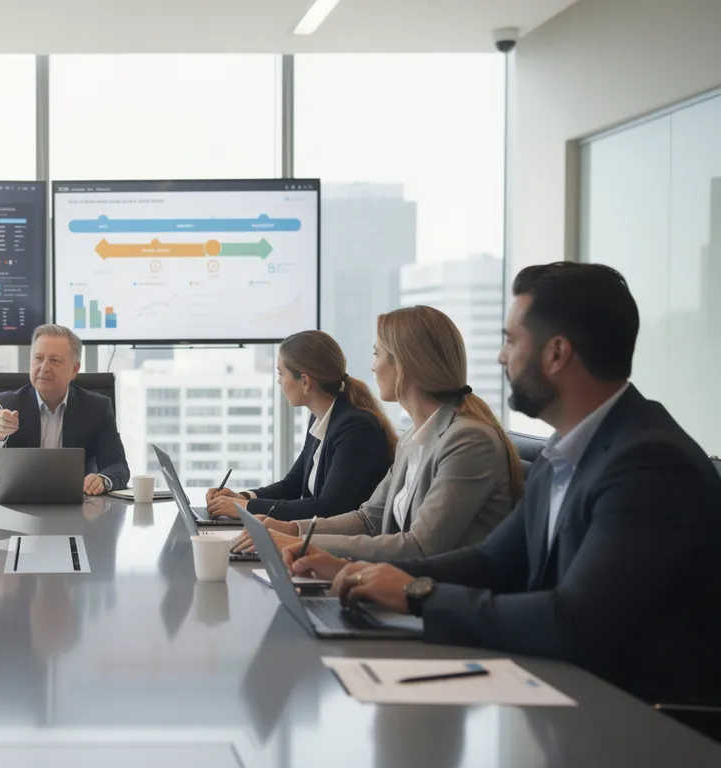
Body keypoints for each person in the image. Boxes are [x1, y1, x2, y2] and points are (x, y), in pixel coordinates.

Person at [286, 263, 721, 703]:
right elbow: (493, 562)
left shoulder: (648, 464)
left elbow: (574, 620)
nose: (500, 356)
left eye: (511, 341)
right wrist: (358, 573)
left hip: (634, 719)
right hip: (567, 691)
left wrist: (416, 594)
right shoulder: (565, 453)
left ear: (556, 353)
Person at [234, 306, 522, 561]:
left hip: (442, 605)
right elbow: (369, 519)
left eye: (377, 354)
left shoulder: (468, 440)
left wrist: (302, 542)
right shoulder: (413, 438)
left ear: (405, 364)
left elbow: (420, 547)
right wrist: (293, 528)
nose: (372, 366)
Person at [205, 330, 395, 521]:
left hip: (344, 545)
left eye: (281, 373)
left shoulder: (357, 428)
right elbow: (292, 485)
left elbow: (328, 507)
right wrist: (244, 497)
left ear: (305, 381)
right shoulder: (321, 418)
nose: (279, 381)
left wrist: (245, 508)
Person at [0, 324, 129, 495]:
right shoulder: (5, 404)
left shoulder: (97, 408)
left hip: (75, 510)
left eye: (54, 360)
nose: (44, 367)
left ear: (74, 369)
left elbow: (117, 466)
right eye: (38, 358)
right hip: (16, 508)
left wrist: (102, 481)